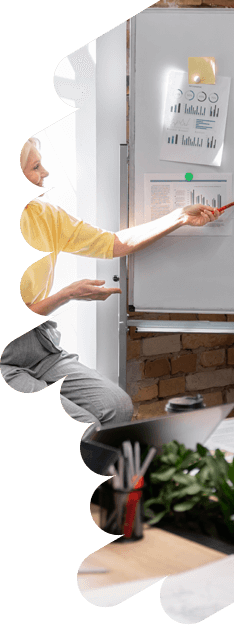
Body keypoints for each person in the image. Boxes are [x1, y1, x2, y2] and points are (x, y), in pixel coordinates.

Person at [1, 137, 219, 437]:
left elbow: (113, 244)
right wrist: (66, 295)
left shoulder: (44, 216)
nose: (45, 172)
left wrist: (179, 217)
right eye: (35, 166)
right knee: (85, 427)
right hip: (5, 363)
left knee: (117, 406)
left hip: (41, 348)